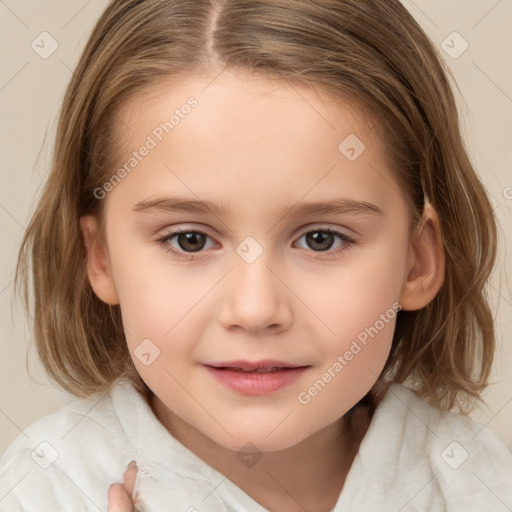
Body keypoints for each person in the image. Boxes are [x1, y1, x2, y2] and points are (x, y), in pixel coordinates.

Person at [1, 0, 511, 511]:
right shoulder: (45, 488)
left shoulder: (478, 480)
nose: (254, 309)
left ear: (416, 261)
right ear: (102, 259)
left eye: (321, 239)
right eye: (190, 240)